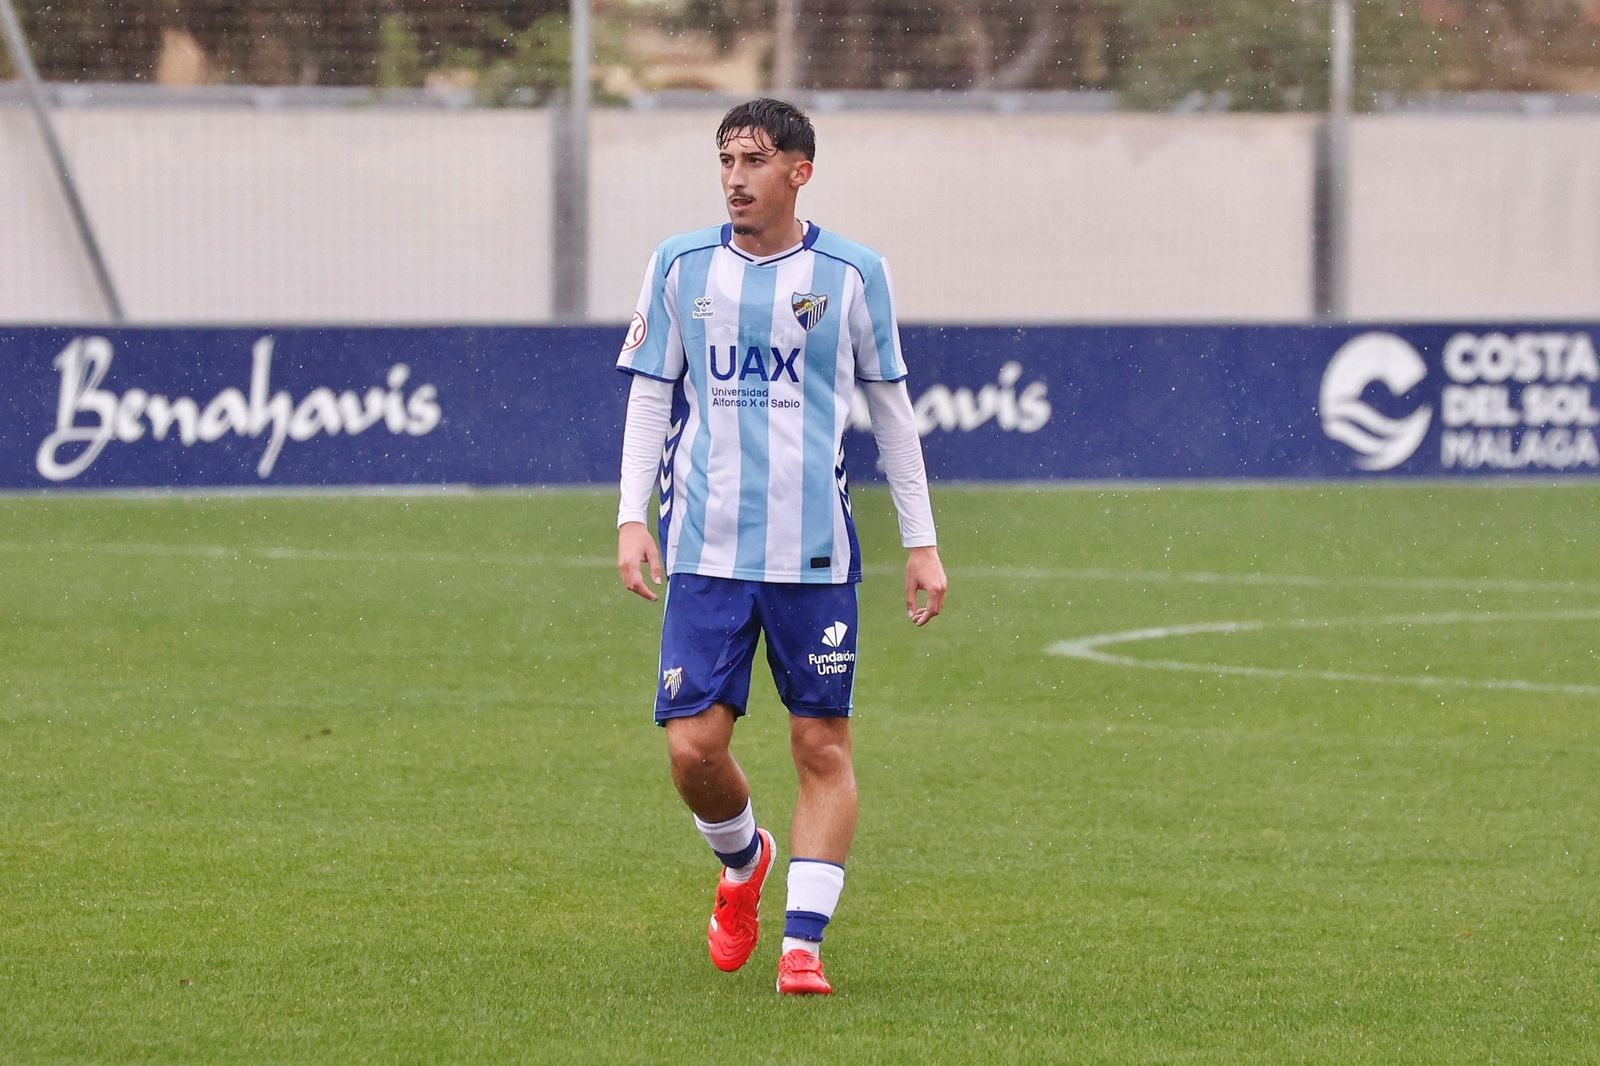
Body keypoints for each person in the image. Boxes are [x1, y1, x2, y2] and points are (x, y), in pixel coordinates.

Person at [615, 98, 946, 997]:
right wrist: (630, 515)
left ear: (800, 170)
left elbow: (892, 412)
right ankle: (741, 861)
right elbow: (651, 396)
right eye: (726, 159)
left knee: (820, 745)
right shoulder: (680, 265)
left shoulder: (853, 272)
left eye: (754, 161)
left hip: (813, 559)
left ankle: (803, 943)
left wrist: (922, 540)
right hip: (705, 552)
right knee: (693, 749)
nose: (734, 178)